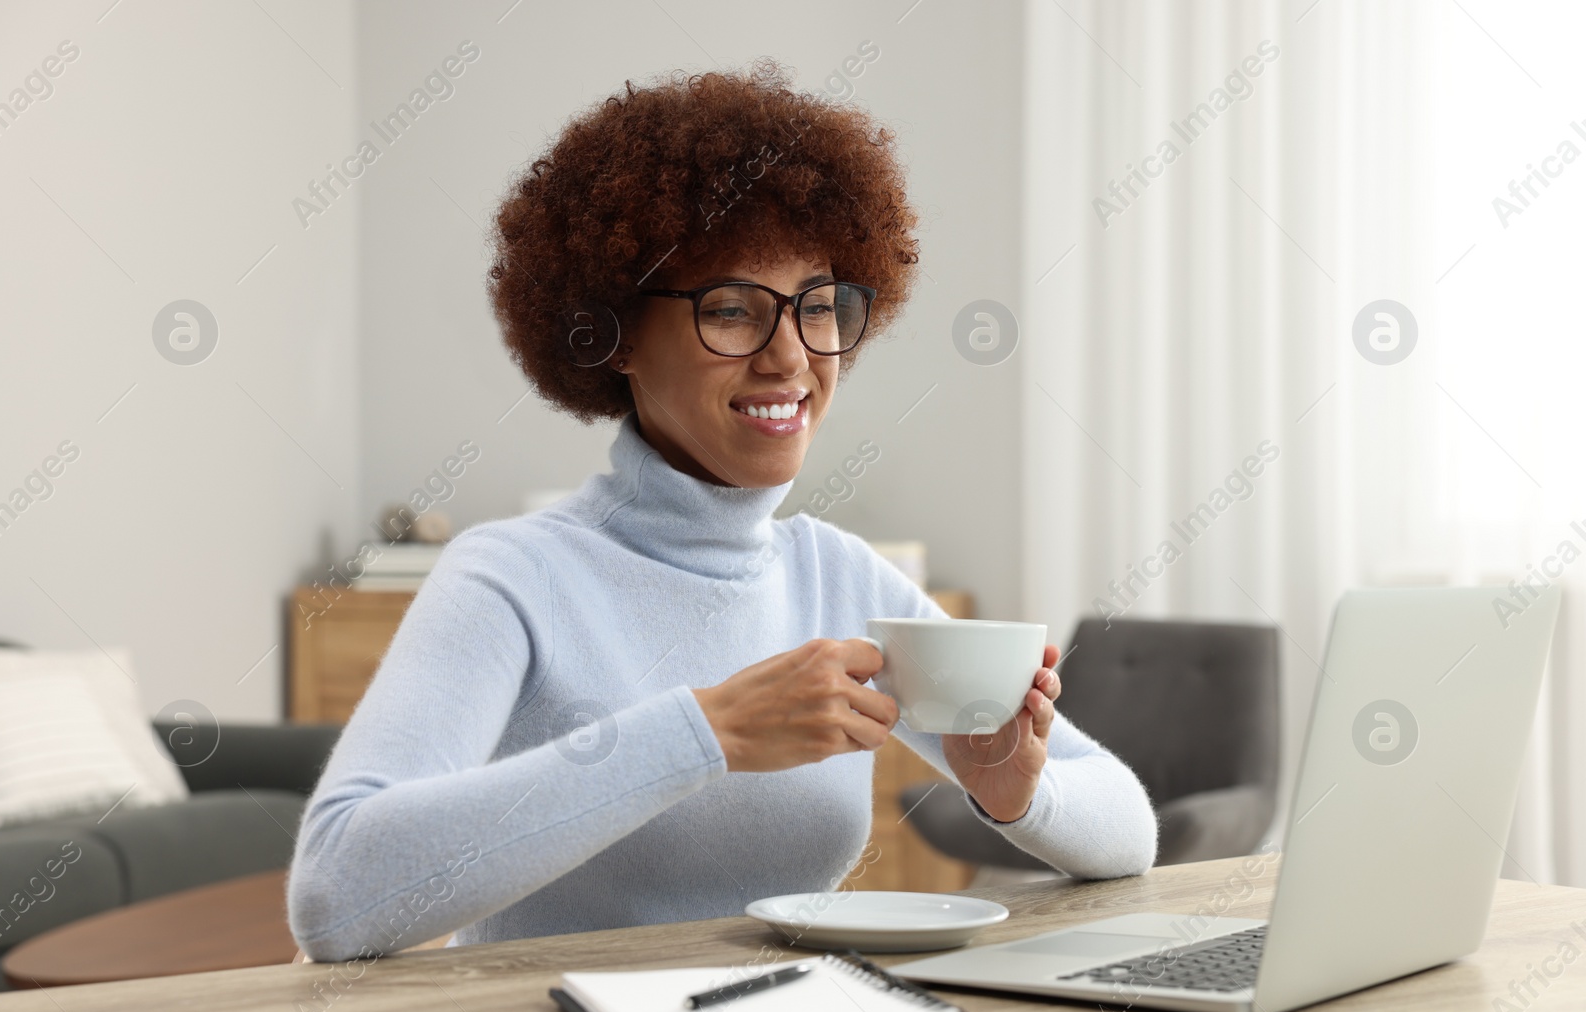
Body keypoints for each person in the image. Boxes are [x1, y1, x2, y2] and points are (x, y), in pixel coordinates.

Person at [288, 63, 1156, 963]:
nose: (791, 358)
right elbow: (336, 891)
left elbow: (1128, 826)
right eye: (732, 309)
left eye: (817, 308)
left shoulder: (839, 576)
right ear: (615, 333)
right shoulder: (512, 575)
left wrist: (1016, 792)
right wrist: (705, 733)